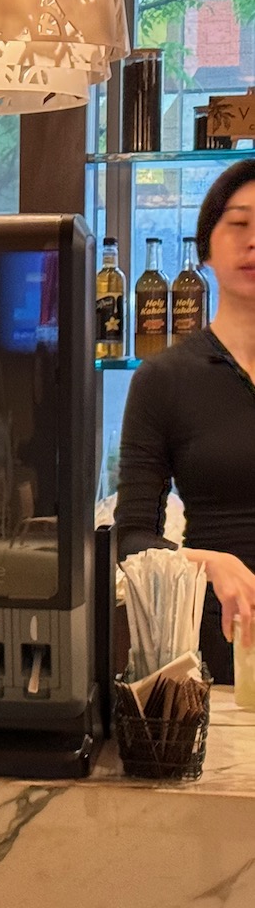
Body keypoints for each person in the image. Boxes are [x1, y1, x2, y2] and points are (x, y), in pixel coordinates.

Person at [114, 158, 255, 683]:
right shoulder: (164, 378)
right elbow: (131, 540)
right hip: (222, 649)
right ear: (207, 248)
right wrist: (207, 563)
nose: (252, 242)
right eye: (239, 224)